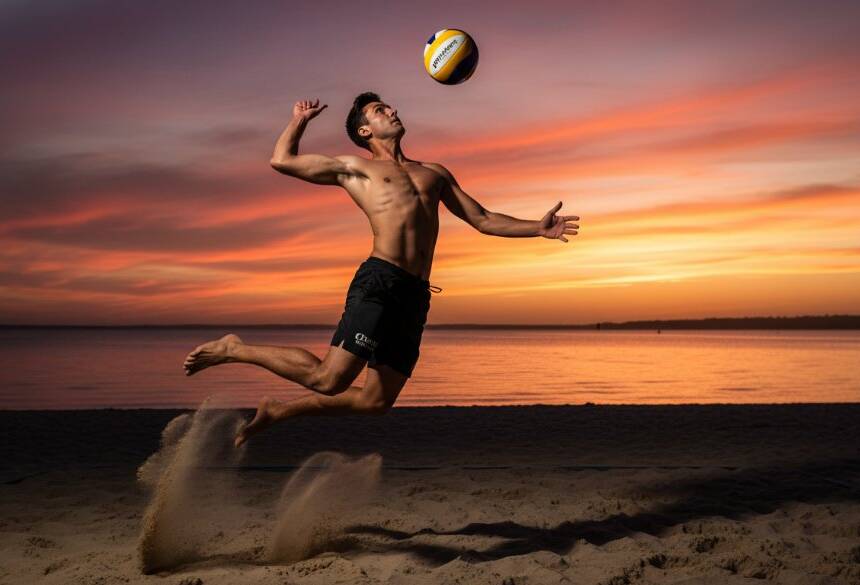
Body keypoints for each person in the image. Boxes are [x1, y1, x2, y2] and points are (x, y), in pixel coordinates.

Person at [181, 93, 580, 447]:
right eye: (379, 109)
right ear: (364, 130)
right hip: (380, 281)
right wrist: (299, 121)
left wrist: (536, 229)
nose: (391, 110)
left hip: (415, 294)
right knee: (328, 380)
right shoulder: (356, 169)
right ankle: (236, 348)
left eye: (388, 106)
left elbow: (483, 218)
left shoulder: (434, 173)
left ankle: (280, 412)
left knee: (376, 402)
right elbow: (281, 160)